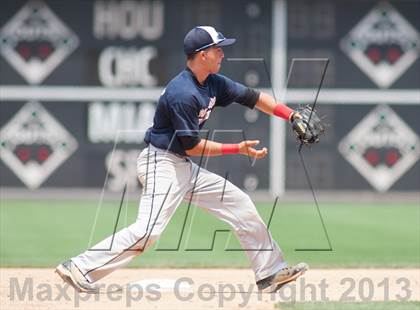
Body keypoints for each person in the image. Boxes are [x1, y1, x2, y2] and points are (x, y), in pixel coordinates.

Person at [56, 26, 307, 294]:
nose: (222, 53)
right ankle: (79, 266)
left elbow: (254, 98)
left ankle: (268, 273)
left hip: (181, 166)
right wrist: (237, 148)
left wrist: (292, 115)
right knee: (148, 232)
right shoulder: (182, 93)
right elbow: (193, 146)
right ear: (201, 55)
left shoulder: (213, 82)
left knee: (240, 204)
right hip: (161, 164)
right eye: (217, 48)